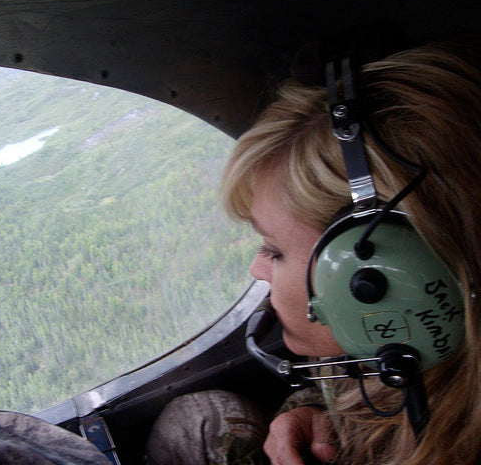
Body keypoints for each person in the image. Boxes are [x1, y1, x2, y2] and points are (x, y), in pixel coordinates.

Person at [147, 41, 481, 464]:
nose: (256, 268)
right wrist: (313, 412)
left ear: (387, 275)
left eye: (274, 250)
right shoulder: (379, 348)